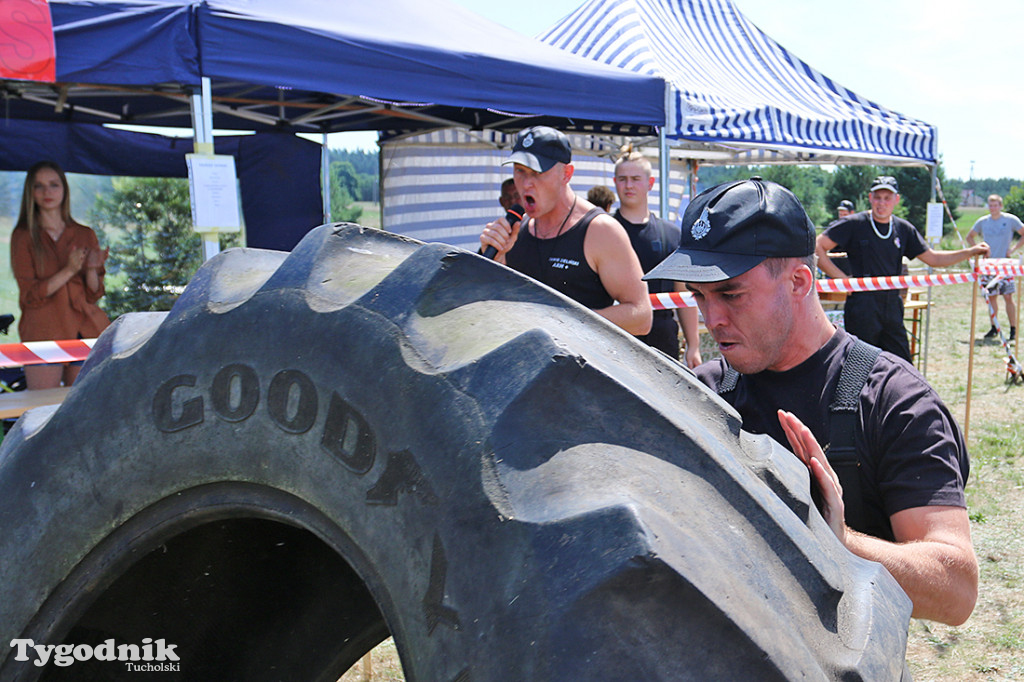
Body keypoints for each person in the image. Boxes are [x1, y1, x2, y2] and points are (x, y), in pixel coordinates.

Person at [645, 177, 978, 626]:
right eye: (699, 297)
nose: (711, 319)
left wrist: (836, 540)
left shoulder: (895, 401)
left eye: (731, 294)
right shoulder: (699, 395)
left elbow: (956, 592)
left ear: (800, 281)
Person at [479, 126, 651, 336]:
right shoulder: (515, 231)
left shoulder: (599, 230)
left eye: (537, 173)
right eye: (519, 171)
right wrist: (496, 260)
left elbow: (641, 316)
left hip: (580, 366)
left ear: (566, 174)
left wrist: (563, 322)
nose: (526, 184)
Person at [816, 175, 989, 361]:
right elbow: (817, 246)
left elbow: (933, 258)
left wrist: (970, 252)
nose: (882, 203)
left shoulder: (903, 229)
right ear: (870, 198)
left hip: (892, 306)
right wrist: (843, 281)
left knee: (901, 365)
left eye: (887, 198)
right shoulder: (854, 224)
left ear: (896, 200)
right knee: (860, 367)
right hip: (862, 306)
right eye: (878, 197)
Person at [11, 161, 110, 390]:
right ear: (30, 192)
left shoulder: (85, 234)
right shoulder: (23, 236)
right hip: (43, 333)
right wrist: (69, 270)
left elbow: (93, 294)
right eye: (39, 186)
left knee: (83, 408)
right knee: (43, 411)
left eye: (54, 185)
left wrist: (92, 269)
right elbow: (30, 296)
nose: (47, 192)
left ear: (64, 190)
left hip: (84, 329)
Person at [612, 151, 701, 367]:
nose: (629, 186)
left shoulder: (671, 235)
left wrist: (694, 346)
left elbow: (683, 293)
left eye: (635, 179)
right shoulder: (600, 232)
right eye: (623, 179)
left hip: (662, 343)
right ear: (614, 183)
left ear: (650, 183)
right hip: (613, 339)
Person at [966, 194, 1024, 341]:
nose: (993, 208)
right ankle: (994, 327)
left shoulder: (1010, 220)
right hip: (988, 266)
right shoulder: (983, 221)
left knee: (1008, 297)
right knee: (991, 297)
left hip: (1005, 265)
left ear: (1001, 206)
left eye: (996, 205)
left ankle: (1013, 329)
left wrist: (1013, 249)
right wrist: (979, 250)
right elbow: (970, 236)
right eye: (991, 205)